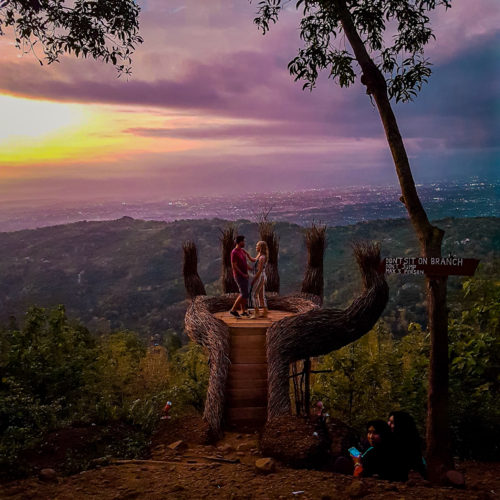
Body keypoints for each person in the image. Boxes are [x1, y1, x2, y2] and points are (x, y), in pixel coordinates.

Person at [388, 410, 427, 479]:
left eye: (392, 422)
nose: (389, 424)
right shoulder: (388, 442)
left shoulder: (412, 446)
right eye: (389, 421)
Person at [229, 235, 251, 318]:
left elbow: (244, 263)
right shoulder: (234, 252)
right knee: (243, 293)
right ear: (239, 242)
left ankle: (243, 311)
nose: (244, 243)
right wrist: (243, 274)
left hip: (245, 275)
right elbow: (234, 266)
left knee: (245, 293)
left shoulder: (242, 251)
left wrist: (250, 268)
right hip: (239, 276)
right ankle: (233, 310)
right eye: (243, 241)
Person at [248, 240, 269, 318]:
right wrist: (247, 255)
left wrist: (254, 279)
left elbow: (259, 270)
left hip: (260, 276)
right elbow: (254, 260)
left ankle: (256, 312)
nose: (256, 247)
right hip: (263, 276)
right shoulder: (260, 255)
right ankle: (265, 311)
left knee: (253, 294)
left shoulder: (262, 258)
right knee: (261, 294)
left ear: (261, 247)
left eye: (257, 246)